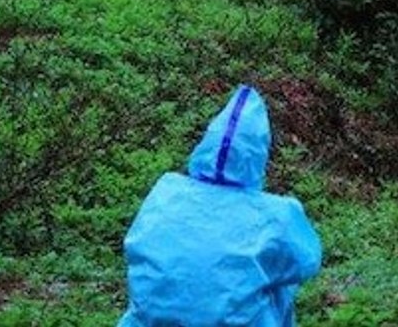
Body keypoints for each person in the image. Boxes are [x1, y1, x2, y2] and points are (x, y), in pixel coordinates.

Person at [117, 85, 323, 326]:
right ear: (258, 153)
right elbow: (307, 262)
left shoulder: (166, 190)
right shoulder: (276, 214)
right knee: (280, 286)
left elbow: (137, 247)